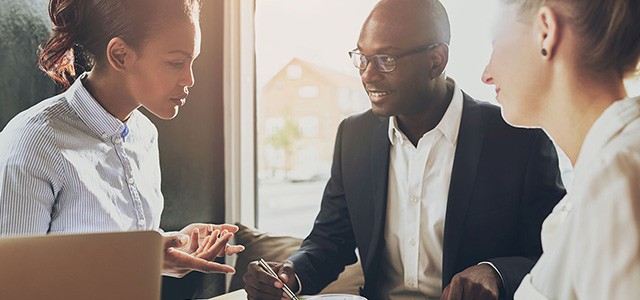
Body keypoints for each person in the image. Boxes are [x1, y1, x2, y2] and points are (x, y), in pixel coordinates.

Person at [243, 0, 566, 299]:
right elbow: (330, 240)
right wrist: (289, 273)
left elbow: (556, 254)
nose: (368, 75)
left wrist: (495, 273)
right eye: (362, 58)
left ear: (436, 61)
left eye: (386, 59)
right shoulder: (353, 136)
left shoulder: (518, 138)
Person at [0, 0, 243, 278]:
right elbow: (11, 278)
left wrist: (169, 250)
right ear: (120, 55)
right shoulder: (33, 142)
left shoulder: (144, 135)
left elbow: (119, 254)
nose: (189, 80)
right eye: (176, 62)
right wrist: (141, 259)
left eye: (192, 62)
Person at [482, 0, 640, 299]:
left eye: (495, 42)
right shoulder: (600, 176)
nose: (486, 74)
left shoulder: (618, 179)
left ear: (545, 32)